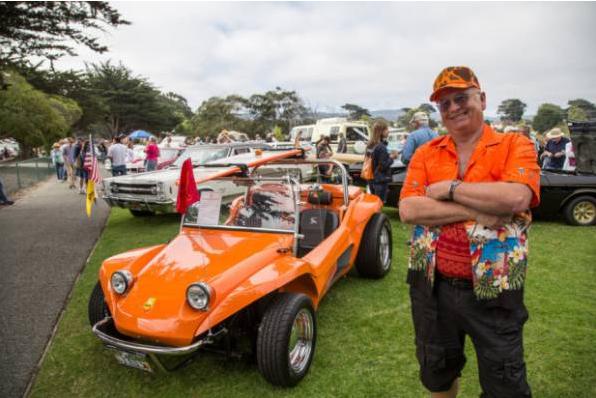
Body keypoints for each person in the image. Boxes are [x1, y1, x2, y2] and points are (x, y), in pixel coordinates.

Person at [399, 66, 539, 398]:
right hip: (432, 284)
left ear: (483, 99)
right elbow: (408, 209)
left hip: (496, 285)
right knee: (438, 370)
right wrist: (478, 208)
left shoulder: (514, 144)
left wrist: (450, 188)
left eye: (461, 98)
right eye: (444, 104)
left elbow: (516, 197)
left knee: (506, 381)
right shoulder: (426, 152)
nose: (453, 108)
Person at [366, 121, 397, 202]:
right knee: (379, 203)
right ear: (381, 131)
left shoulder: (370, 144)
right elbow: (383, 166)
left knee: (373, 203)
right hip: (380, 180)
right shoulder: (381, 147)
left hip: (371, 178)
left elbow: (374, 161)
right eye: (386, 129)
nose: (388, 131)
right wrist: (392, 158)